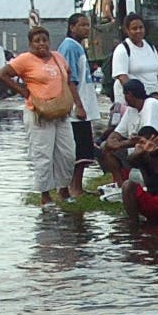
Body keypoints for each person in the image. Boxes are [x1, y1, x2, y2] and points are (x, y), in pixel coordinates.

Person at [0, 25, 85, 206]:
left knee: (67, 153)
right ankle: (45, 195)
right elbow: (2, 74)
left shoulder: (58, 57)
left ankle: (63, 189)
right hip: (39, 114)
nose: (41, 44)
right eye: (37, 41)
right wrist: (23, 91)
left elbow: (69, 80)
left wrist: (79, 105)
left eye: (44, 40)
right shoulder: (24, 60)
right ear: (30, 44)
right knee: (43, 154)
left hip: (61, 113)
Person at [97, 79, 158, 189]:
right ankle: (121, 186)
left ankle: (150, 185)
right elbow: (116, 134)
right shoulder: (131, 110)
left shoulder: (151, 104)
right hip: (139, 150)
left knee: (145, 149)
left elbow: (148, 137)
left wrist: (122, 144)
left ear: (129, 94)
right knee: (105, 148)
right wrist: (115, 142)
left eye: (124, 94)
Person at [59, 11, 97, 197]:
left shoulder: (78, 47)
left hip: (84, 103)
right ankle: (73, 187)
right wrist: (79, 105)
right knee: (79, 149)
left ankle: (76, 185)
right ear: (71, 27)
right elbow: (69, 78)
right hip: (77, 107)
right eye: (82, 25)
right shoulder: (69, 47)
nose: (86, 28)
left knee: (84, 148)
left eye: (88, 25)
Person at [109, 13, 158, 101]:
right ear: (127, 30)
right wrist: (139, 98)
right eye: (134, 28)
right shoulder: (122, 49)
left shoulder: (151, 47)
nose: (138, 31)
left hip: (154, 98)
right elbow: (122, 78)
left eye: (141, 27)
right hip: (135, 102)